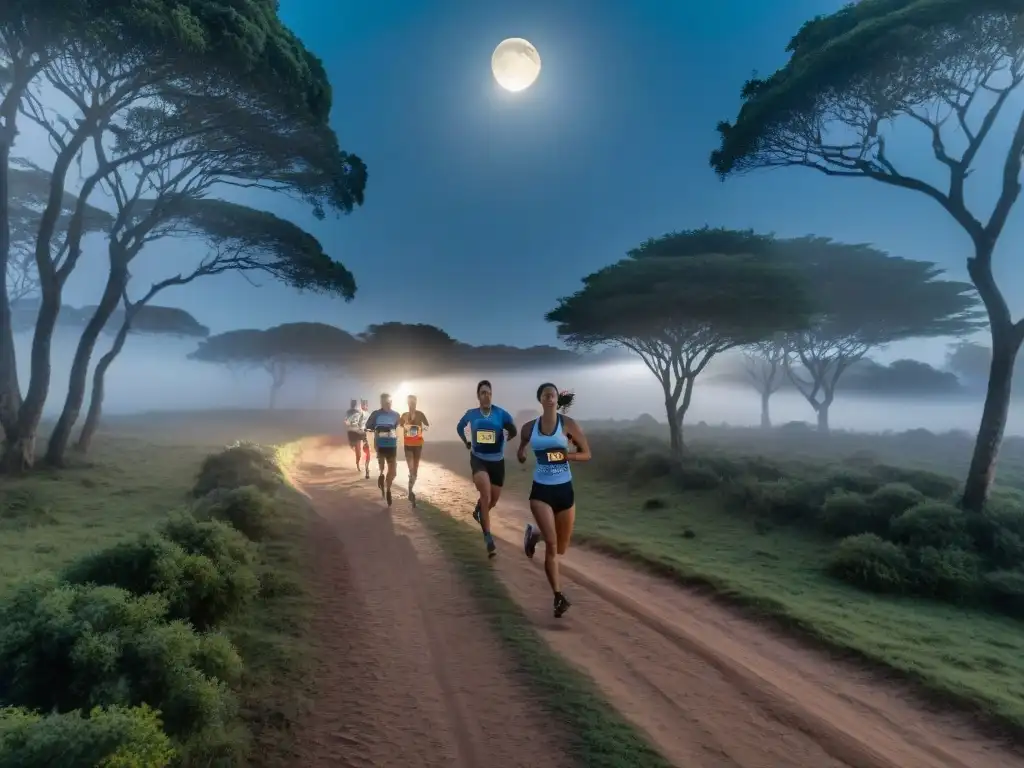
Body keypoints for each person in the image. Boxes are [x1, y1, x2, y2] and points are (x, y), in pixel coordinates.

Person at [517, 383, 590, 618]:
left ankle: (534, 534)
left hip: (564, 491)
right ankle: (558, 597)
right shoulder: (529, 428)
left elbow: (587, 453)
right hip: (541, 492)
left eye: (554, 395)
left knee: (561, 547)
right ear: (540, 399)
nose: (550, 398)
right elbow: (521, 450)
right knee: (552, 545)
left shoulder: (568, 425)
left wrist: (566, 455)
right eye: (546, 395)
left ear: (558, 400)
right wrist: (522, 454)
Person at [456, 379, 517, 558]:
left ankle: (478, 512)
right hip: (478, 460)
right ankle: (488, 538)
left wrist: (508, 434)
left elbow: (512, 429)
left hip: (497, 462)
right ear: (478, 396)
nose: (486, 396)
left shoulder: (500, 413)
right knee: (486, 494)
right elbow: (460, 427)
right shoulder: (471, 414)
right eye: (483, 392)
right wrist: (466, 441)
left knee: (493, 501)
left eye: (489, 393)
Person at [365, 393, 401, 506]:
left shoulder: (396, 415)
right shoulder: (376, 414)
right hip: (380, 445)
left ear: (391, 401)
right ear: (381, 402)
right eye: (384, 401)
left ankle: (388, 489)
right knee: (382, 466)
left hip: (392, 445)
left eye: (389, 401)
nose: (387, 403)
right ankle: (381, 475)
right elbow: (368, 426)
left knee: (393, 471)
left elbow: (397, 428)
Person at [399, 394, 429, 507]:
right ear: (407, 403)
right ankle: (411, 492)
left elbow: (427, 426)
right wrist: (406, 424)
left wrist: (420, 429)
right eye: (410, 402)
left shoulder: (420, 414)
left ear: (416, 403)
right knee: (411, 469)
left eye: (414, 402)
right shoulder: (404, 415)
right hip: (408, 446)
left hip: (418, 446)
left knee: (415, 472)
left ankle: (410, 488)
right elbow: (400, 425)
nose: (412, 404)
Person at [343, 399, 368, 474]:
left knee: (355, 447)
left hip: (353, 432)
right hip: (355, 431)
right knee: (356, 448)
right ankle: (358, 463)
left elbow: (346, 421)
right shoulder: (355, 412)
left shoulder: (350, 412)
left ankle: (358, 463)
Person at [360, 399, 371, 478]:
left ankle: (367, 470)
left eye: (365, 405)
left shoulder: (369, 414)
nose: (364, 406)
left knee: (368, 455)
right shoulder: (360, 415)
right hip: (363, 437)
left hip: (369, 436)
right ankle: (367, 470)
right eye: (363, 405)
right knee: (367, 454)